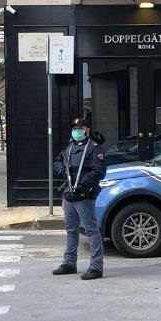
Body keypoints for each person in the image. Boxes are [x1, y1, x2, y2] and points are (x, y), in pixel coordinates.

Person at [52, 117, 107, 280]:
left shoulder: (94, 148)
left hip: (84, 195)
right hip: (69, 195)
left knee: (91, 230)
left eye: (80, 128)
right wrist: (62, 171)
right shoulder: (70, 146)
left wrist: (82, 183)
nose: (76, 131)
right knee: (71, 229)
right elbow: (58, 161)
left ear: (87, 130)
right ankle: (69, 263)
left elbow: (99, 171)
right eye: (74, 128)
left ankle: (96, 267)